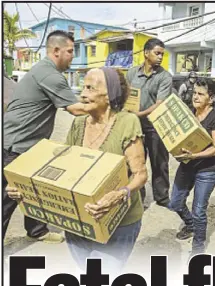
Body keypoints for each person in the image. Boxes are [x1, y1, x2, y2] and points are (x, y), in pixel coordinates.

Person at [8, 67, 148, 275]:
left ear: (110, 94)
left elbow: (140, 174)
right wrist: (28, 191)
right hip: (80, 221)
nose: (82, 94)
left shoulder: (127, 122)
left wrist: (119, 195)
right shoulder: (79, 123)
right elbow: (65, 170)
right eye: (83, 87)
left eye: (90, 88)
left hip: (120, 223)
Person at [3, 30, 86, 243]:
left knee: (34, 189)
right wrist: (107, 104)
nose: (72, 56)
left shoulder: (42, 69)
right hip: (18, 144)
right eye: (69, 51)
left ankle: (37, 230)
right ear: (56, 51)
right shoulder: (50, 75)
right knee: (11, 196)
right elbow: (75, 109)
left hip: (26, 143)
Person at [168, 78, 215, 256]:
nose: (196, 96)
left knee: (199, 209)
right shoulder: (189, 113)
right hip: (187, 166)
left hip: (208, 169)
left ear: (210, 98)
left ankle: (198, 248)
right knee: (175, 202)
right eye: (194, 93)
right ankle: (190, 224)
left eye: (201, 94)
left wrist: (193, 155)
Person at [126, 38, 172, 207]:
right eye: (157, 53)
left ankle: (162, 197)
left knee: (159, 162)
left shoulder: (165, 77)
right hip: (135, 127)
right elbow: (126, 95)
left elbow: (159, 104)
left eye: (162, 54)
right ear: (146, 53)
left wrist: (139, 114)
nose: (160, 57)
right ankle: (139, 196)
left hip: (155, 126)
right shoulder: (132, 73)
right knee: (136, 162)